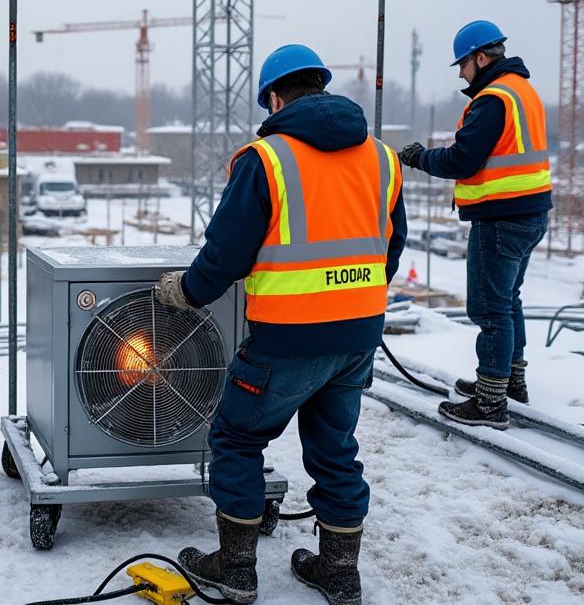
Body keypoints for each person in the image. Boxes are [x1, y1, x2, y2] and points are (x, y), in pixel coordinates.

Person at [157, 44, 406, 605]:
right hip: (357, 335)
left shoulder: (266, 159)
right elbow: (390, 248)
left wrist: (187, 291)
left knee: (237, 438)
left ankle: (235, 568)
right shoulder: (382, 158)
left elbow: (226, 253)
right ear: (320, 84)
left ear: (273, 97)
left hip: (287, 336)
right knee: (335, 448)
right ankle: (339, 572)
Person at [397, 20, 552, 429]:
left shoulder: (493, 98)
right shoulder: (522, 91)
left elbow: (461, 160)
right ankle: (508, 383)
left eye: (462, 65)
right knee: (508, 301)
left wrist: (417, 157)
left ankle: (489, 403)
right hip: (530, 213)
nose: (461, 75)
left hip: (501, 218)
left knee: (490, 308)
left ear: (480, 58)